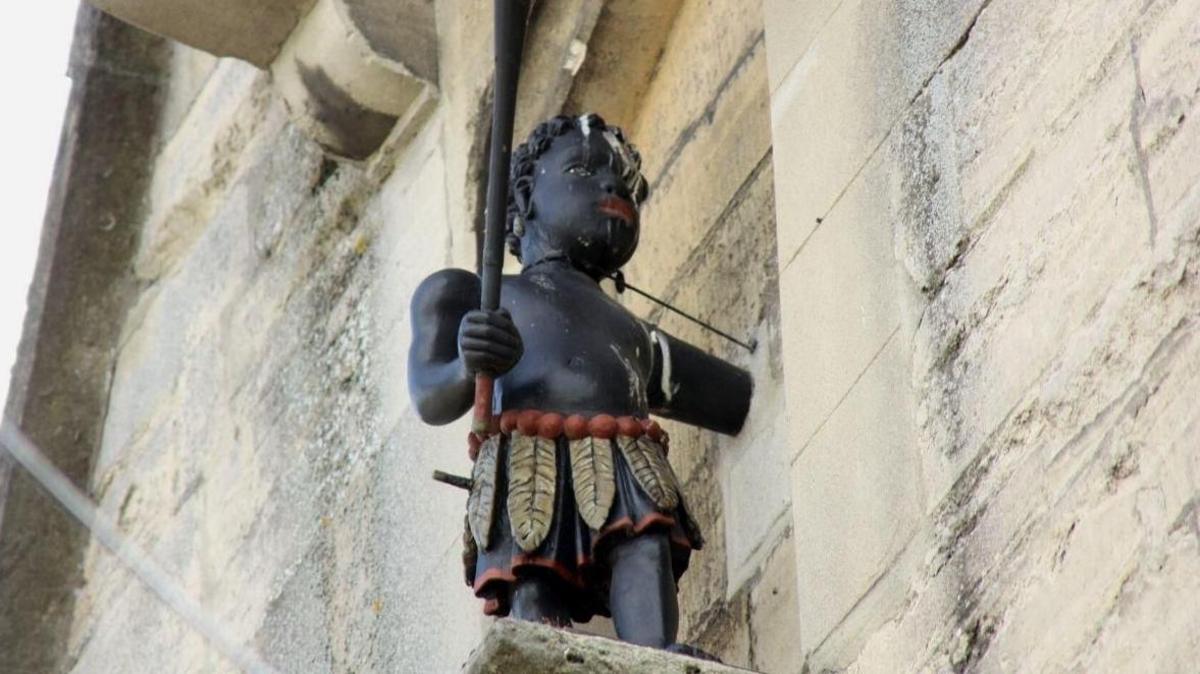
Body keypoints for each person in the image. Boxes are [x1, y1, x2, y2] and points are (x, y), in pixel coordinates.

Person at [407, 113, 752, 650]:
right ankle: (537, 633)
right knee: (531, 554)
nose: (611, 186)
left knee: (645, 534)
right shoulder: (477, 296)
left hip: (624, 450)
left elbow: (729, 396)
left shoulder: (634, 334)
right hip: (530, 450)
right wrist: (469, 363)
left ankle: (654, 647)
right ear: (525, 199)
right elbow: (431, 395)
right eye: (581, 169)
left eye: (624, 181)